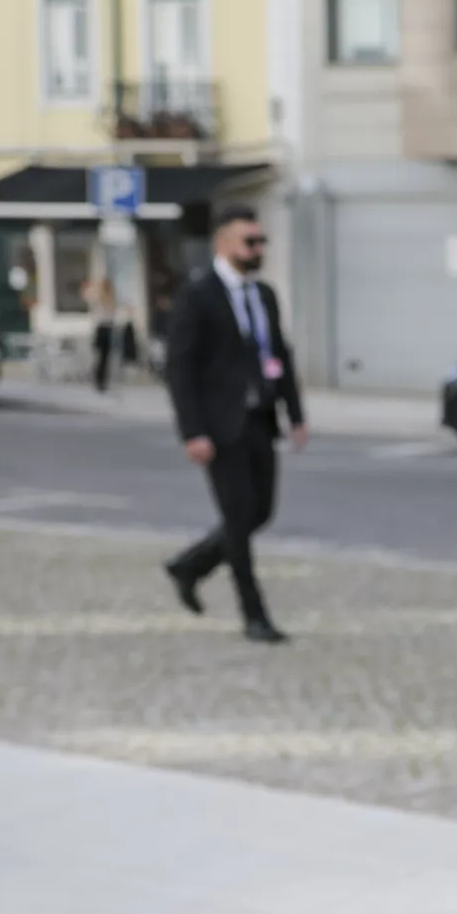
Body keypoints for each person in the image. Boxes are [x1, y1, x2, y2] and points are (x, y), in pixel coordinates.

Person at [162, 206, 307, 644]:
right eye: (250, 242)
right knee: (239, 518)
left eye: (262, 241)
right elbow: (180, 369)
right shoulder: (198, 296)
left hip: (260, 418)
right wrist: (193, 431)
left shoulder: (264, 295)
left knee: (261, 511)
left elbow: (280, 355)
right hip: (220, 425)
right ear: (223, 244)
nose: (258, 249)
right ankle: (254, 614)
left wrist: (295, 414)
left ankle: (191, 564)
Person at [87, 277, 118, 392]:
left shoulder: (111, 300)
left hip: (107, 328)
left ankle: (102, 380)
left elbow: (112, 315)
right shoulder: (98, 299)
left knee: (105, 357)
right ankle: (98, 379)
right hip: (102, 328)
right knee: (101, 357)